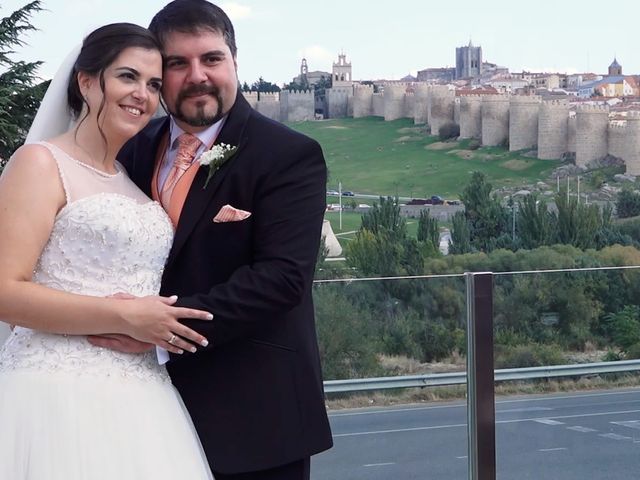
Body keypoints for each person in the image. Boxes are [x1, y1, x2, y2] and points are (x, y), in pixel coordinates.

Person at [90, 1, 334, 478]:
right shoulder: (133, 149)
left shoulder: (288, 154)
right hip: (137, 411)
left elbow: (281, 280)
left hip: (254, 419)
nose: (197, 76)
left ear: (234, 62)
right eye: (178, 63)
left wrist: (159, 331)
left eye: (211, 59)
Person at [0, 23, 215, 479]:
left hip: (144, 403)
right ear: (86, 82)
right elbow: (4, 292)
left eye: (154, 85)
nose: (142, 94)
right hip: (53, 394)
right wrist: (125, 317)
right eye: (127, 77)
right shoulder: (40, 162)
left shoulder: (134, 182)